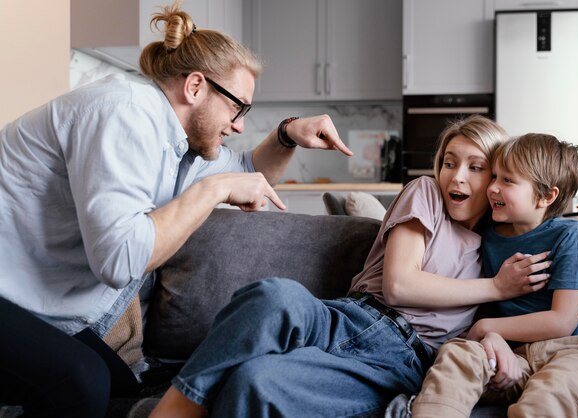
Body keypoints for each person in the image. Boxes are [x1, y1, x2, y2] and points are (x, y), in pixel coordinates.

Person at [0, 2, 353, 417]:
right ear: (195, 87)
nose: (240, 125)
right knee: (82, 383)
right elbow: (119, 260)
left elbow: (248, 169)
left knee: (122, 382)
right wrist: (214, 190)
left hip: (24, 299)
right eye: (238, 107)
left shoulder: (175, 142)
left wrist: (288, 134)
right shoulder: (124, 112)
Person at [147, 114, 551, 418]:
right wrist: (496, 288)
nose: (455, 177)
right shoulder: (425, 194)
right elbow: (400, 286)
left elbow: (507, 324)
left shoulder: (501, 248)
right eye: (449, 162)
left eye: (476, 167)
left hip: (402, 361)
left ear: (497, 180)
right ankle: (174, 409)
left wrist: (496, 340)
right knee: (274, 295)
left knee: (258, 382)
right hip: (348, 315)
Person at [409, 134, 578, 418]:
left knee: (551, 396)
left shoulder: (572, 237)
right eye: (495, 176)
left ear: (547, 196)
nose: (492, 187)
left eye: (508, 181)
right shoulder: (486, 237)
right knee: (459, 355)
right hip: (515, 355)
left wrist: (488, 328)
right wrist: (490, 339)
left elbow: (562, 321)